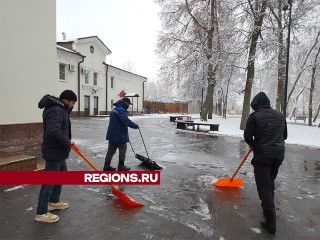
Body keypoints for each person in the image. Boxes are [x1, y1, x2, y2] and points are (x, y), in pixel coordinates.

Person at [244, 92, 287, 234]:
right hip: (278, 155)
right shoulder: (280, 115)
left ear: (256, 105)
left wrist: (254, 144)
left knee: (263, 186)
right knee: (269, 182)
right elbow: (284, 135)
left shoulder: (254, 116)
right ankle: (270, 208)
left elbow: (247, 136)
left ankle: (270, 223)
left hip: (263, 156)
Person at [35, 90, 77, 223]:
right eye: (73, 102)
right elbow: (53, 132)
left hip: (59, 151)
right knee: (49, 181)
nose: (73, 106)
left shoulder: (60, 109)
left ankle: (53, 202)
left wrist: (67, 142)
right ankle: (41, 212)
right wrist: (67, 142)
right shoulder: (56, 110)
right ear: (67, 100)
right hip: (54, 151)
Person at [103, 97, 139, 171]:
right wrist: (135, 125)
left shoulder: (115, 109)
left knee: (111, 150)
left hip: (112, 134)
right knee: (123, 148)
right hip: (119, 134)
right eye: (128, 103)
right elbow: (125, 120)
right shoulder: (121, 110)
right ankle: (121, 166)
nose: (129, 105)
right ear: (125, 102)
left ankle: (106, 165)